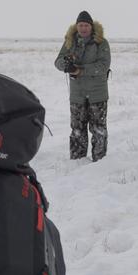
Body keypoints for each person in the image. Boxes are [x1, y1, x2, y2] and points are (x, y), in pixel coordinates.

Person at [54, 9, 111, 161]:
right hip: (77, 94)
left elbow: (103, 65)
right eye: (80, 25)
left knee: (98, 129)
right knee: (77, 130)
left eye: (86, 25)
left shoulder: (101, 43)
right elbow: (57, 61)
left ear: (91, 27)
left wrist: (80, 70)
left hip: (97, 94)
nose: (83, 28)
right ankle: (77, 162)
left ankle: (100, 162)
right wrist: (65, 64)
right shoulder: (70, 42)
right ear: (76, 26)